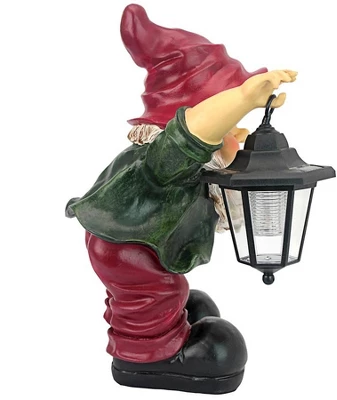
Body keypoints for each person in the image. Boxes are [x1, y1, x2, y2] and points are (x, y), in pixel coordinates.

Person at [66, 4, 296, 394]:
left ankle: (165, 325)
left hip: (132, 242)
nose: (234, 137)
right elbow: (191, 133)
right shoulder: (167, 157)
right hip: (130, 250)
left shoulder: (179, 164)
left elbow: (202, 136)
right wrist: (243, 98)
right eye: (228, 127)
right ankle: (146, 357)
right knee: (156, 295)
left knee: (178, 296)